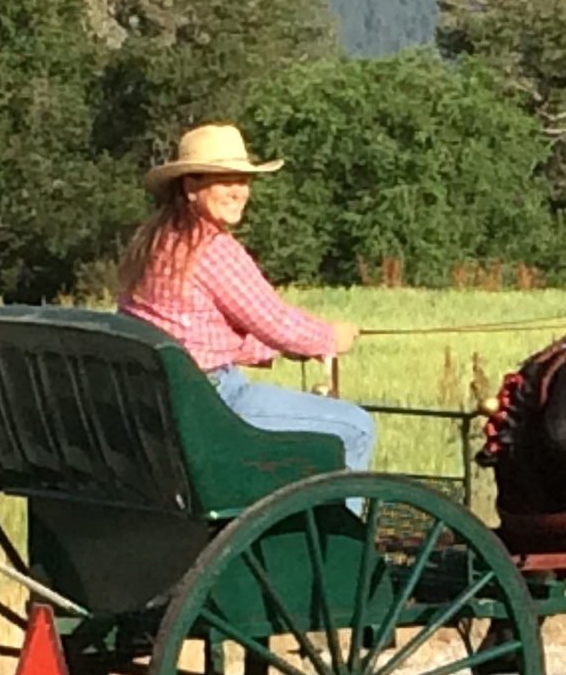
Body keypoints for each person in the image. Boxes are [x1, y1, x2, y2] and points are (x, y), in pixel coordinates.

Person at [118, 123, 375, 470]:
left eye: (244, 180)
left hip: (161, 399)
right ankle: (335, 525)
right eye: (225, 180)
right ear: (191, 185)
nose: (239, 191)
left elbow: (195, 332)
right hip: (214, 403)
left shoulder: (154, 242)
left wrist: (270, 348)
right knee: (356, 427)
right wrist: (331, 338)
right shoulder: (210, 248)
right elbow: (277, 322)